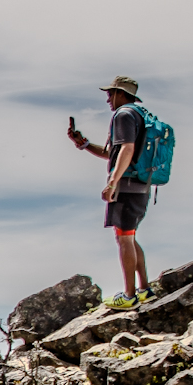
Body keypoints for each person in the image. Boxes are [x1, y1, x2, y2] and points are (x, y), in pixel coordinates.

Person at [67, 75, 151, 302]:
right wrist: (83, 144)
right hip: (142, 183)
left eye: (110, 94)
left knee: (124, 238)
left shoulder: (123, 115)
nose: (108, 100)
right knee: (130, 237)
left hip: (127, 185)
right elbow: (111, 153)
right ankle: (144, 289)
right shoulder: (140, 115)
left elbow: (126, 149)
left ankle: (130, 295)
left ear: (121, 94)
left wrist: (113, 182)